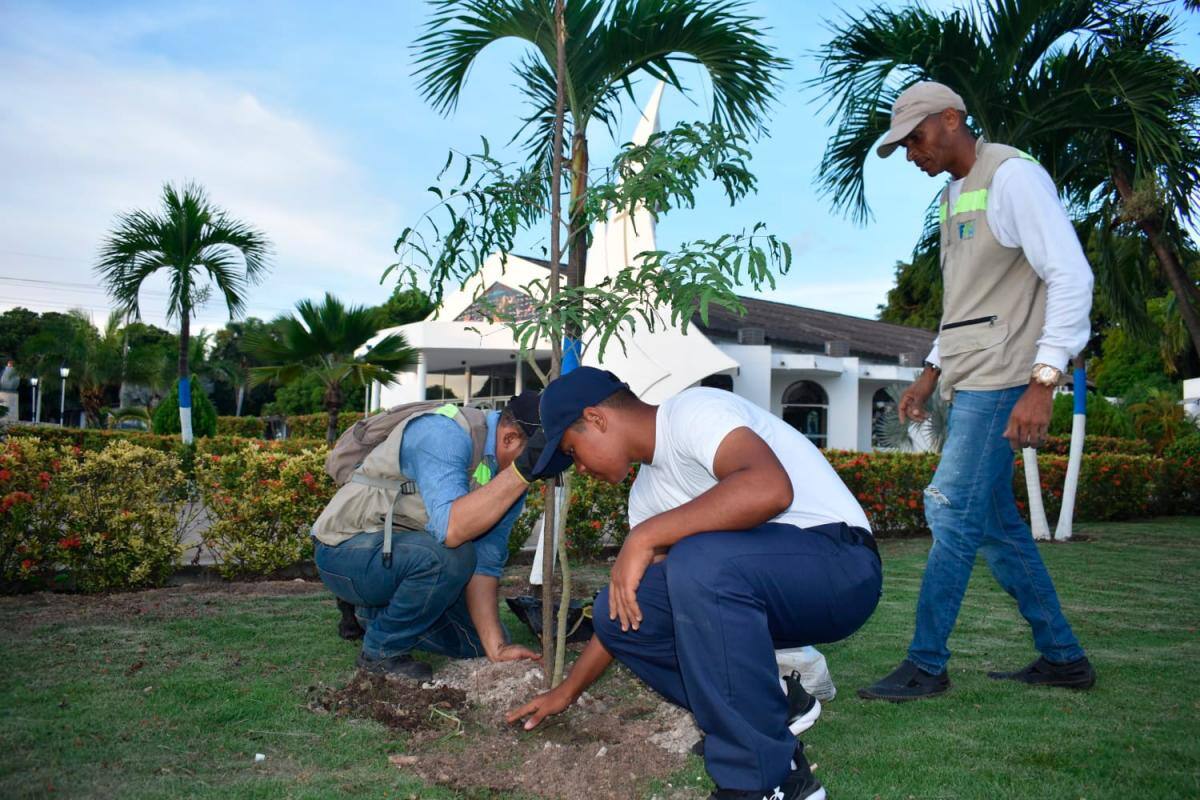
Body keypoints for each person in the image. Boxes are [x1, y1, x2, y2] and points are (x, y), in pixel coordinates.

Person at [507, 368, 881, 800]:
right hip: (763, 591)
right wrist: (567, 691)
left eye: (573, 451)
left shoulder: (693, 411)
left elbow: (769, 489)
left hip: (841, 566)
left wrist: (645, 537)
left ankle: (754, 783)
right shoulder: (646, 497)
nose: (581, 468)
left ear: (596, 418)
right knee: (617, 609)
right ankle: (781, 744)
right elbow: (634, 613)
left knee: (696, 560)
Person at [858, 81, 1096, 702]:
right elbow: (968, 303)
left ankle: (926, 664)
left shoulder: (1013, 178)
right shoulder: (952, 196)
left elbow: (1071, 275)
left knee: (949, 509)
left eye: (916, 138)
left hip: (1004, 378)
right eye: (904, 144)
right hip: (970, 377)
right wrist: (930, 373)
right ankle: (1063, 657)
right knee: (996, 525)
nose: (911, 153)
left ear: (952, 118)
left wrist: (1045, 380)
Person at [311, 390, 560, 680]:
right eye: (534, 462)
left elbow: (485, 563)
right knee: (448, 557)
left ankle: (374, 615)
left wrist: (497, 647)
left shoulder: (509, 476)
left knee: (475, 641)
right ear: (509, 439)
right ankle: (381, 651)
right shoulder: (444, 434)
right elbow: (451, 531)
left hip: (406, 555)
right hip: (344, 550)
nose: (535, 473)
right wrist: (519, 474)